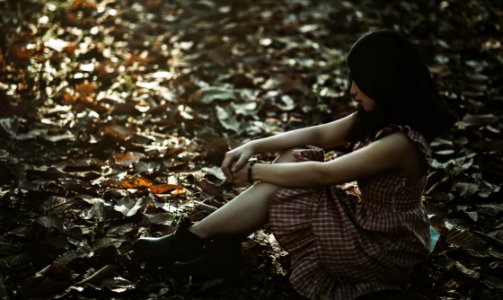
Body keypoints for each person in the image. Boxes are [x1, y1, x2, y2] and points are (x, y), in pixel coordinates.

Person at [134, 30, 455, 299]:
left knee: (292, 175)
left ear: (384, 83)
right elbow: (318, 133)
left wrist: (253, 172)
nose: (352, 90)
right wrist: (252, 146)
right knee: (293, 158)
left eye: (359, 81)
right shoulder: (378, 117)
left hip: (380, 248)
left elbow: (324, 174)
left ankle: (196, 242)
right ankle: (209, 243)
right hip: (366, 225)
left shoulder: (400, 143)